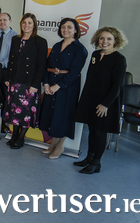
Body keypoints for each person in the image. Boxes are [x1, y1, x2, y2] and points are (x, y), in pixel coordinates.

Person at [73, 27, 127, 174]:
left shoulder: (119, 59)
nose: (105, 41)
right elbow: (91, 79)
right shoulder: (95, 54)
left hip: (106, 102)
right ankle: (89, 157)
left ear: (116, 41)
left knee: (100, 132)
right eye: (102, 38)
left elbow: (117, 85)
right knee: (91, 129)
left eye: (109, 39)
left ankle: (96, 163)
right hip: (92, 99)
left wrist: (105, 104)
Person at [39, 18, 88, 159]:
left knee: (64, 114)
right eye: (63, 27)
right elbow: (47, 66)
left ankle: (60, 146)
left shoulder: (80, 49)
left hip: (67, 87)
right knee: (52, 114)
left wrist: (58, 86)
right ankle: (53, 143)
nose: (65, 29)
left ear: (75, 30)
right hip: (51, 83)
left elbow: (75, 72)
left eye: (69, 27)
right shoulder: (56, 45)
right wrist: (47, 83)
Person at [3, 13, 48, 149]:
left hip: (29, 83)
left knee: (25, 112)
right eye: (24, 22)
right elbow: (12, 60)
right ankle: (14, 134)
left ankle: (21, 138)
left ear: (34, 25)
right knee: (15, 110)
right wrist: (8, 78)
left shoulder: (40, 41)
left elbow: (41, 66)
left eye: (29, 23)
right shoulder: (16, 39)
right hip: (15, 81)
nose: (26, 25)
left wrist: (35, 84)